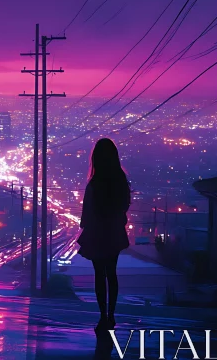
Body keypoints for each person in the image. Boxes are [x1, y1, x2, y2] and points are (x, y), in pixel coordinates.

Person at [77, 138, 131, 333]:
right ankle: (111, 315)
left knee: (99, 275)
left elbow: (87, 209)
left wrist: (87, 225)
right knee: (112, 273)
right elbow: (125, 204)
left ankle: (102, 316)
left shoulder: (94, 183)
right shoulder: (120, 180)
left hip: (97, 231)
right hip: (114, 230)